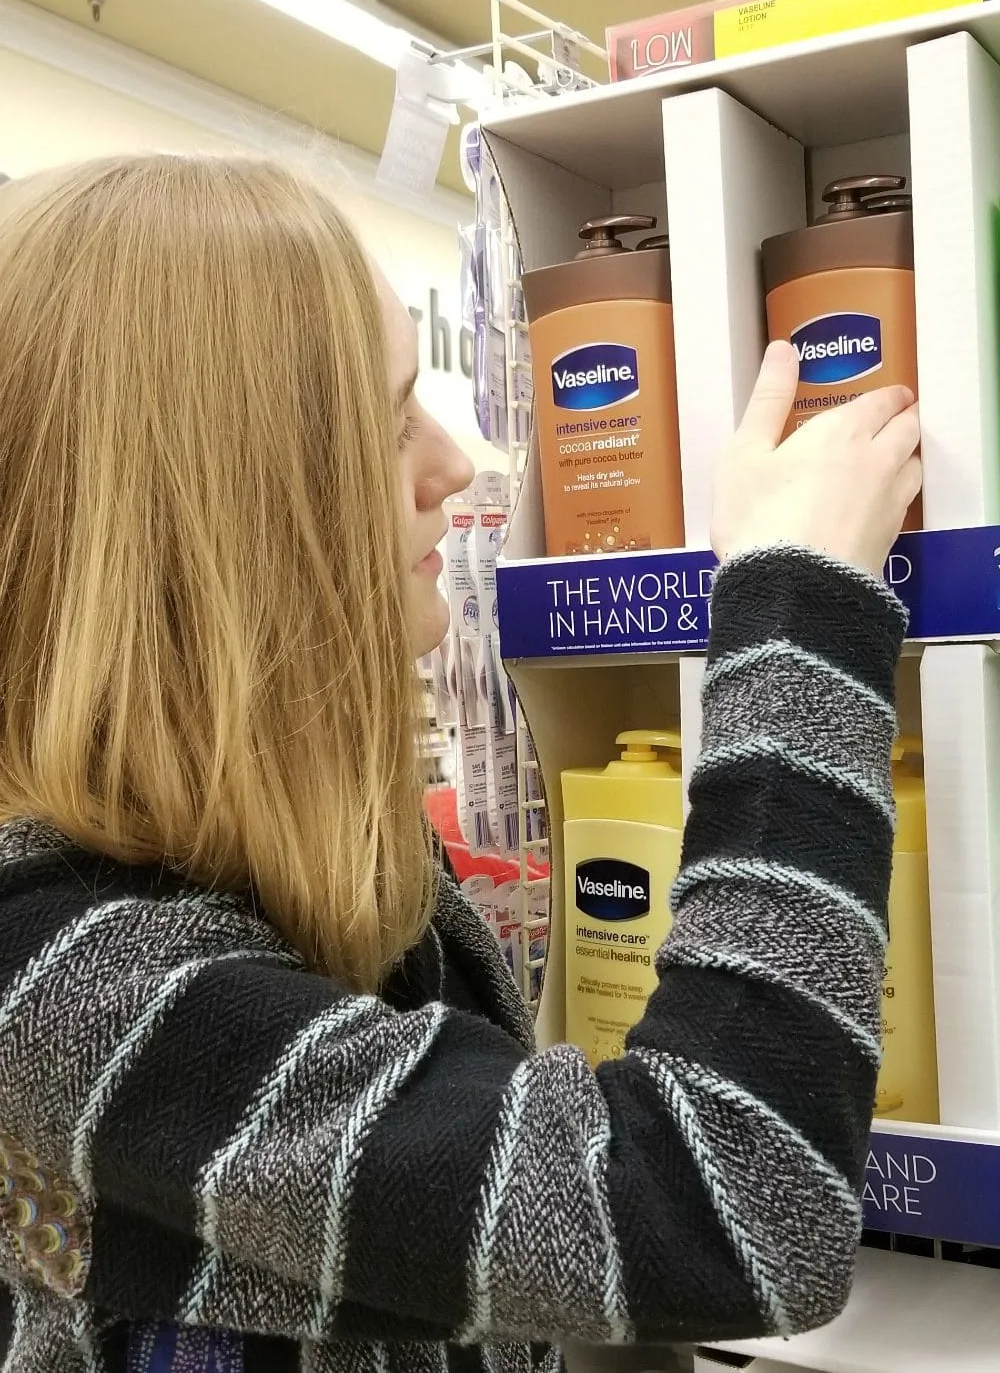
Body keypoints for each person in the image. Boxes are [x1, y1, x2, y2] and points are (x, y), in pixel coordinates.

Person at [0, 154, 920, 1373]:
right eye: (390, 426)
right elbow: (722, 1202)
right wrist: (800, 597)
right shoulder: (55, 975)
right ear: (223, 510)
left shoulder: (302, 858)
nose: (452, 466)